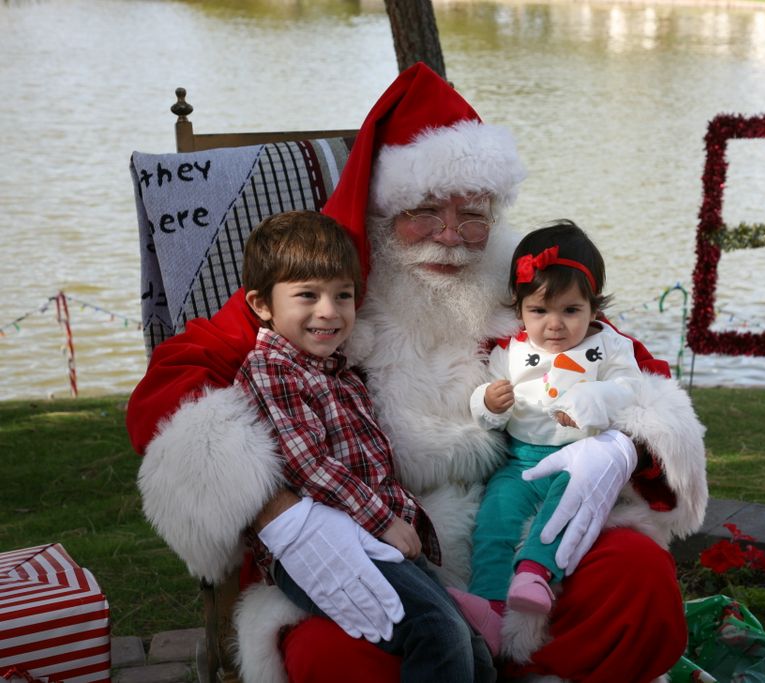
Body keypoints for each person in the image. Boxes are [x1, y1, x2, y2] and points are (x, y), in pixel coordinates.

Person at [128, 62, 708, 683]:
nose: (453, 237)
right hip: (371, 547)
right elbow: (174, 380)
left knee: (637, 580)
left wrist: (624, 445)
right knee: (331, 657)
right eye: (425, 211)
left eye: (473, 214)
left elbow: (631, 366)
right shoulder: (328, 297)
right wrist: (278, 510)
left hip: (517, 537)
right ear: (383, 210)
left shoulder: (520, 288)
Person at [232, 210, 494, 681]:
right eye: (307, 296)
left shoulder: (342, 372)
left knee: (473, 650)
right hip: (322, 545)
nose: (329, 311)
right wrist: (384, 520)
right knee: (435, 631)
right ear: (262, 304)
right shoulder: (272, 368)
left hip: (376, 538)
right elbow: (306, 463)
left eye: (343, 295)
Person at [467, 220, 645, 619]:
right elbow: (484, 413)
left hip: (584, 459)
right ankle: (488, 603)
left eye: (570, 310)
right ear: (519, 308)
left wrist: (594, 397)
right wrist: (489, 404)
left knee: (565, 512)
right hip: (521, 462)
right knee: (496, 515)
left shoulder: (609, 346)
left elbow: (633, 390)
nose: (554, 324)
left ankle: (535, 572)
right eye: (539, 310)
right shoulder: (510, 352)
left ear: (594, 308)